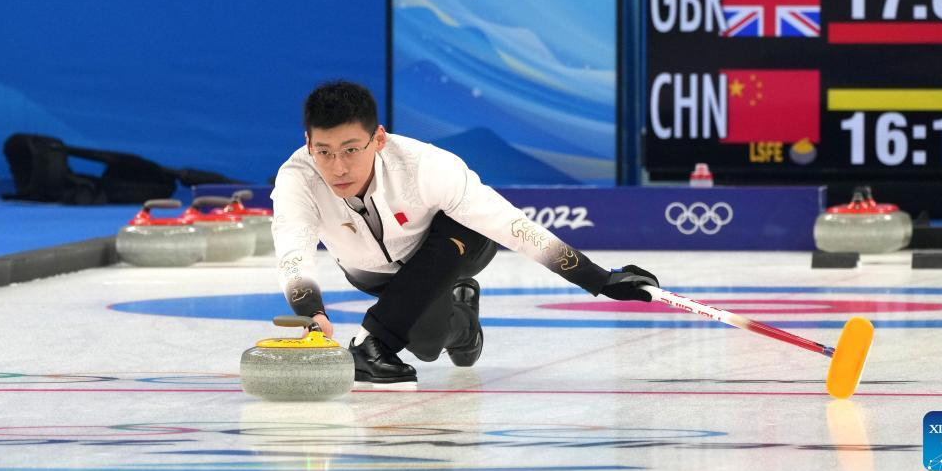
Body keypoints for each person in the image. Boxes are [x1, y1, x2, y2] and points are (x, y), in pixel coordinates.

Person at [271, 80, 659, 384]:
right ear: (308, 143)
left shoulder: (425, 166)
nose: (337, 167)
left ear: (379, 139)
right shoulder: (298, 179)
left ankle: (373, 343)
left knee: (448, 242)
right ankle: (465, 325)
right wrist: (311, 311)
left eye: (351, 150)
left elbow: (511, 227)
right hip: (377, 276)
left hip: (460, 245)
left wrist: (598, 278)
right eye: (324, 151)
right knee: (426, 344)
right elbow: (294, 250)